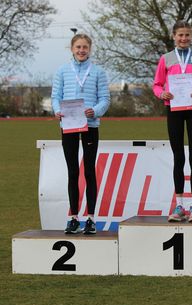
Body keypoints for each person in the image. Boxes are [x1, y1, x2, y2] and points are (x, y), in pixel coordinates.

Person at [153, 20, 192, 223]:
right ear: (174, 36)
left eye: (187, 35)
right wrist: (163, 95)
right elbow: (157, 85)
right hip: (174, 110)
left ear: (191, 36)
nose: (184, 38)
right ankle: (179, 206)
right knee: (179, 157)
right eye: (180, 35)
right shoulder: (166, 59)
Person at [51, 33, 110, 234]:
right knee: (73, 171)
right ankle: (74, 217)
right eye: (78, 47)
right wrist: (56, 110)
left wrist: (95, 110)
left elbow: (105, 98)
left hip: (90, 125)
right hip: (68, 125)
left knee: (89, 172)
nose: (81, 50)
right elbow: (55, 97)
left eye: (85, 47)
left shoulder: (98, 72)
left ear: (90, 49)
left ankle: (91, 219)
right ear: (72, 49)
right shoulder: (62, 71)